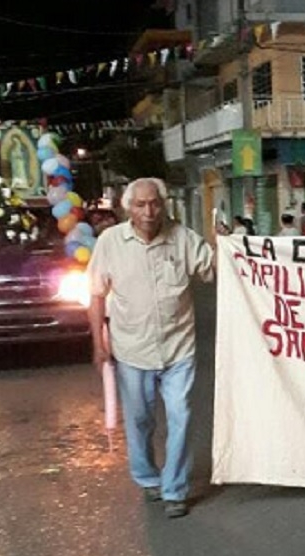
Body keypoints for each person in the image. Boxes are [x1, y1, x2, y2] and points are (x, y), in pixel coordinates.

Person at [86, 178, 215, 518]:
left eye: (154, 203)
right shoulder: (111, 242)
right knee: (140, 421)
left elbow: (214, 269)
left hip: (179, 348)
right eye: (141, 205)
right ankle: (147, 477)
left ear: (164, 204)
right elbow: (97, 295)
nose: (149, 211)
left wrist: (235, 246)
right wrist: (99, 344)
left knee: (181, 416)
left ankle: (175, 489)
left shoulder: (184, 239)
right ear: (128, 207)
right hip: (132, 350)